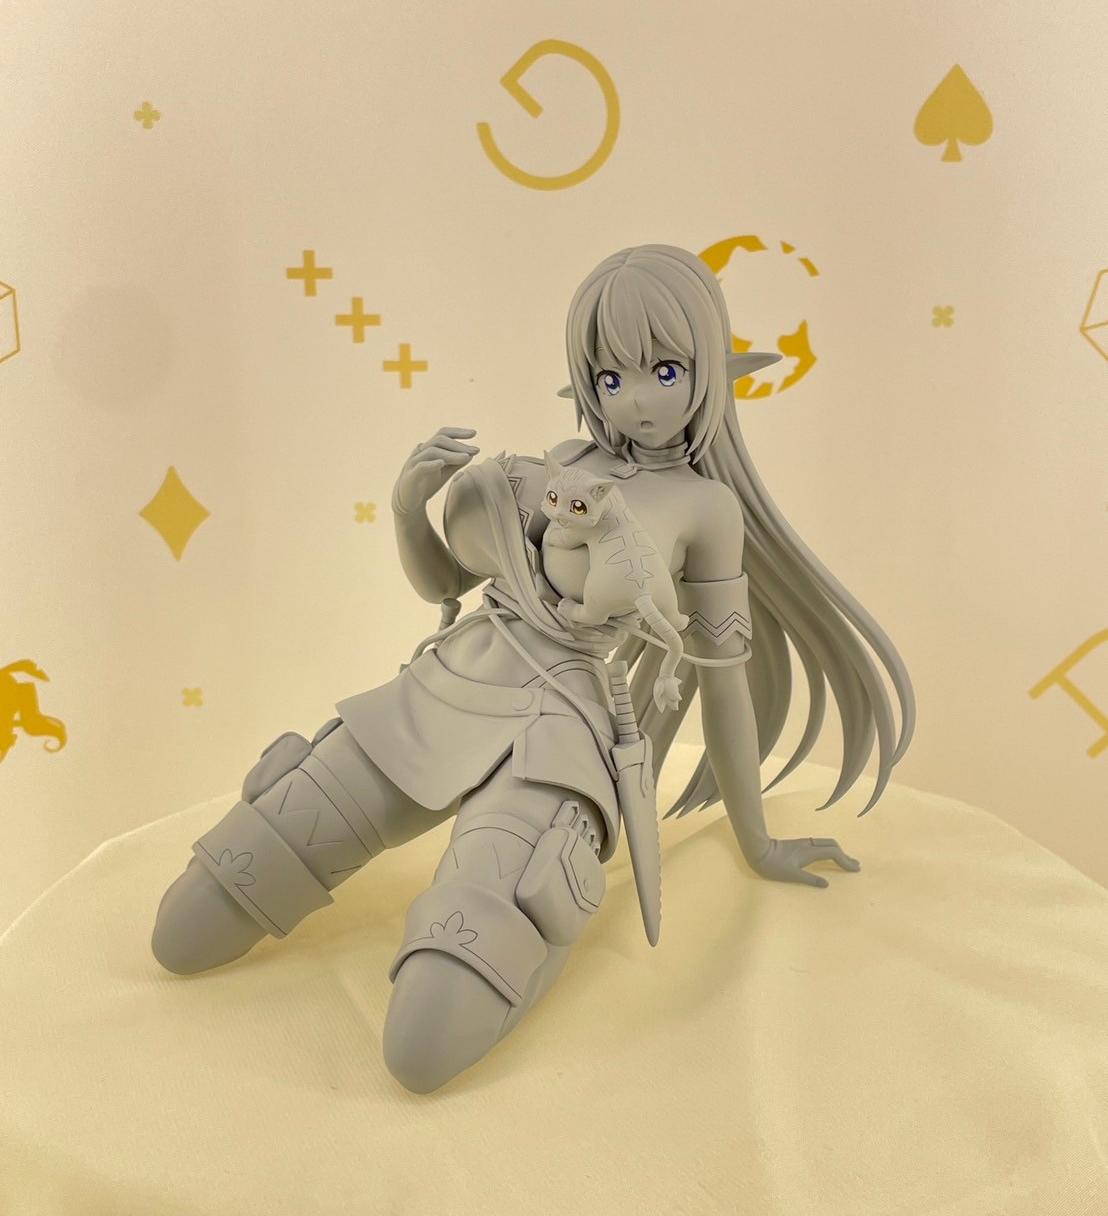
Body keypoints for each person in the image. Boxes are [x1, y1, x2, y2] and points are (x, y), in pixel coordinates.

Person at [151, 244, 914, 1093]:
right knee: (198, 915)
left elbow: (723, 681)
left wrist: (757, 838)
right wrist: (407, 507)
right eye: (612, 376)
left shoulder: (708, 507)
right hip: (443, 688)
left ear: (708, 364)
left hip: (561, 732)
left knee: (434, 1020)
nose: (637, 399)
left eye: (665, 370)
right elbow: (445, 584)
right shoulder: (561, 463)